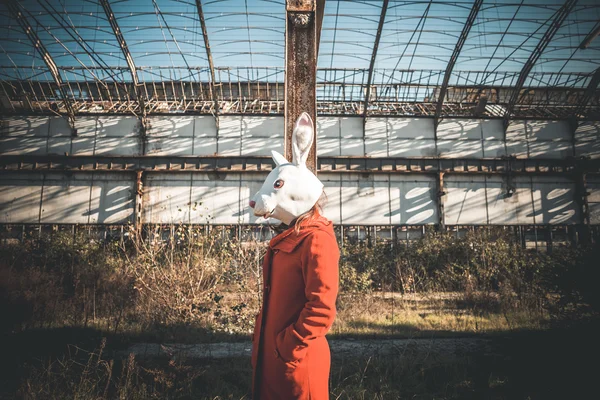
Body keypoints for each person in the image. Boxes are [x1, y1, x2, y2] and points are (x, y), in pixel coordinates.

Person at [249, 113, 340, 400]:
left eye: (277, 186)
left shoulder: (316, 239)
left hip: (296, 364)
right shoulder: (291, 234)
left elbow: (322, 308)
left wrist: (287, 347)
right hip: (274, 361)